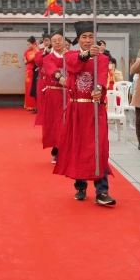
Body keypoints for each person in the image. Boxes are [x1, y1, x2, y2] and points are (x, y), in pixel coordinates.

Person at [53, 22, 114, 205]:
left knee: (98, 148)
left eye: (90, 37)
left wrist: (98, 89)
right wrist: (87, 55)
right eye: (84, 37)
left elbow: (101, 77)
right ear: (78, 39)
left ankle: (102, 191)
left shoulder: (102, 58)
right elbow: (74, 66)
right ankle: (80, 186)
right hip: (77, 110)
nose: (88, 40)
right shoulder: (70, 55)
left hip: (95, 109)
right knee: (78, 146)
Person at [36, 30, 68, 164]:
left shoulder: (71, 56)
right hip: (54, 94)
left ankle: (66, 149)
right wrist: (63, 80)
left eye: (59, 40)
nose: (57, 43)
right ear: (51, 43)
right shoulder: (48, 57)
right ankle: (56, 149)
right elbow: (52, 71)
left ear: (64, 41)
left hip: (69, 93)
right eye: (54, 41)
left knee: (68, 122)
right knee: (56, 122)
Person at [23, 36, 39, 111]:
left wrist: (36, 52)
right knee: (28, 88)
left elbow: (34, 59)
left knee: (34, 88)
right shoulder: (27, 52)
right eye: (27, 44)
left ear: (33, 43)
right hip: (28, 71)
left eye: (29, 44)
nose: (28, 45)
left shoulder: (37, 50)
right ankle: (29, 105)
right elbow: (25, 61)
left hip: (35, 71)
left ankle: (35, 106)